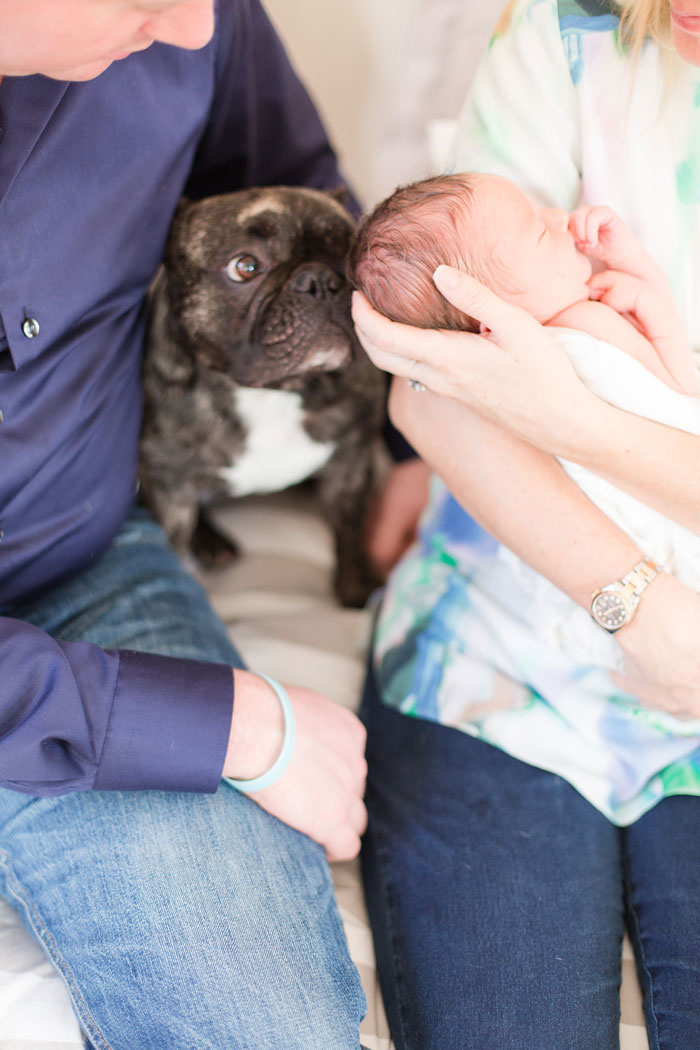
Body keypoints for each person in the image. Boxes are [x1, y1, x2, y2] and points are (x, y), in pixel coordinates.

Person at [0, 2, 379, 1046]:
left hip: (83, 560)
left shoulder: (197, 22)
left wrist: (404, 446)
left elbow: (319, 228)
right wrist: (230, 724)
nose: (186, 23)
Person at [350, 1, 700, 1048]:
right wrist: (646, 613)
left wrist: (576, 422)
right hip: (508, 642)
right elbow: (425, 383)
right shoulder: (572, 34)